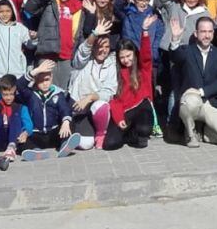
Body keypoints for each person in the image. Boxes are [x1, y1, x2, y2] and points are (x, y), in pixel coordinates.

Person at [170, 16, 217, 148]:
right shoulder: (187, 51)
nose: (206, 35)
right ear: (196, 33)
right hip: (192, 101)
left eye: (209, 32)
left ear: (213, 33)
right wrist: (175, 39)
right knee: (189, 101)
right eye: (203, 32)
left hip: (212, 102)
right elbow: (175, 56)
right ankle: (190, 133)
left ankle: (205, 133)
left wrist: (201, 91)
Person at [105, 15, 156, 150]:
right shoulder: (116, 71)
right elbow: (114, 100)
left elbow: (146, 54)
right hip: (125, 110)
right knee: (110, 144)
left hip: (142, 107)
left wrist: (145, 31)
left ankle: (137, 132)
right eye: (122, 57)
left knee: (143, 132)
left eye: (128, 56)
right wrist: (119, 118)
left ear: (134, 54)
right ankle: (127, 133)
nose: (126, 60)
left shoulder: (142, 68)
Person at [67, 18, 118, 150]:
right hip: (77, 104)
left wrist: (90, 97)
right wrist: (94, 34)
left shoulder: (111, 63)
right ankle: (68, 134)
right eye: (100, 46)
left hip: (92, 104)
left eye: (106, 47)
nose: (103, 50)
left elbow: (109, 92)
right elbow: (84, 50)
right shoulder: (84, 61)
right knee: (86, 144)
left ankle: (100, 134)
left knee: (102, 105)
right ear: (94, 47)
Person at [17, 59, 80, 160]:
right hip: (36, 134)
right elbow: (19, 86)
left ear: (51, 78)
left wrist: (66, 122)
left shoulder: (58, 94)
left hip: (53, 133)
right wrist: (35, 71)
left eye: (47, 80)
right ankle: (36, 152)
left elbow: (64, 109)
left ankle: (65, 144)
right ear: (36, 79)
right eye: (41, 80)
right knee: (22, 142)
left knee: (69, 122)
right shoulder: (30, 94)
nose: (45, 83)